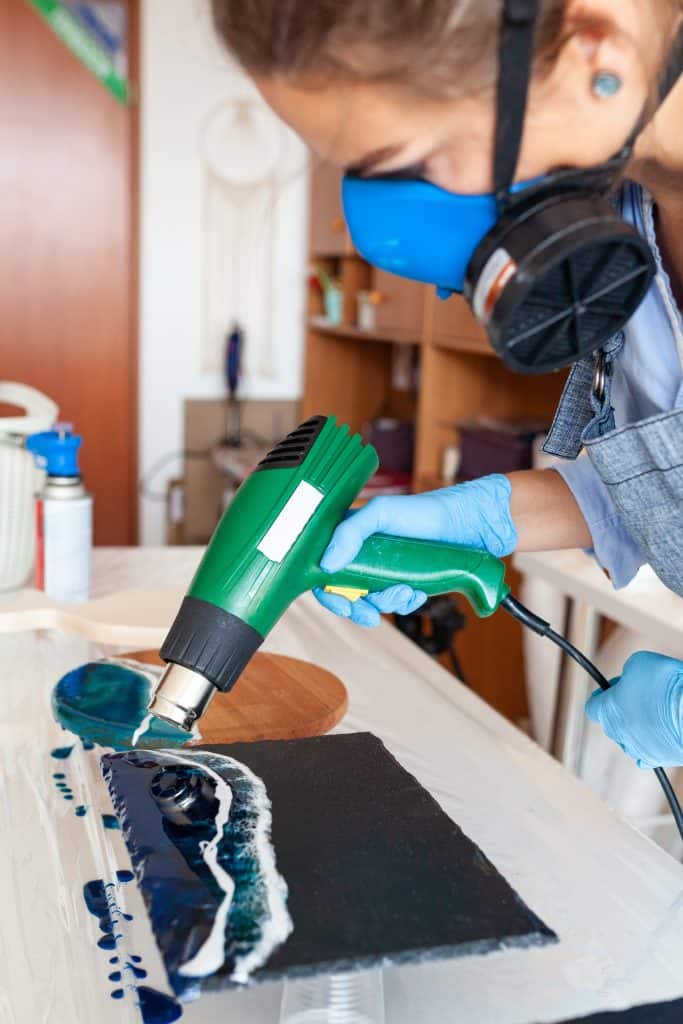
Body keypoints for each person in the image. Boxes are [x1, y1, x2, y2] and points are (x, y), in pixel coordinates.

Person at [210, 1, 683, 769]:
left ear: (592, 52)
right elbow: (660, 480)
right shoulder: (618, 217)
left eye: (406, 166)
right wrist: (485, 517)